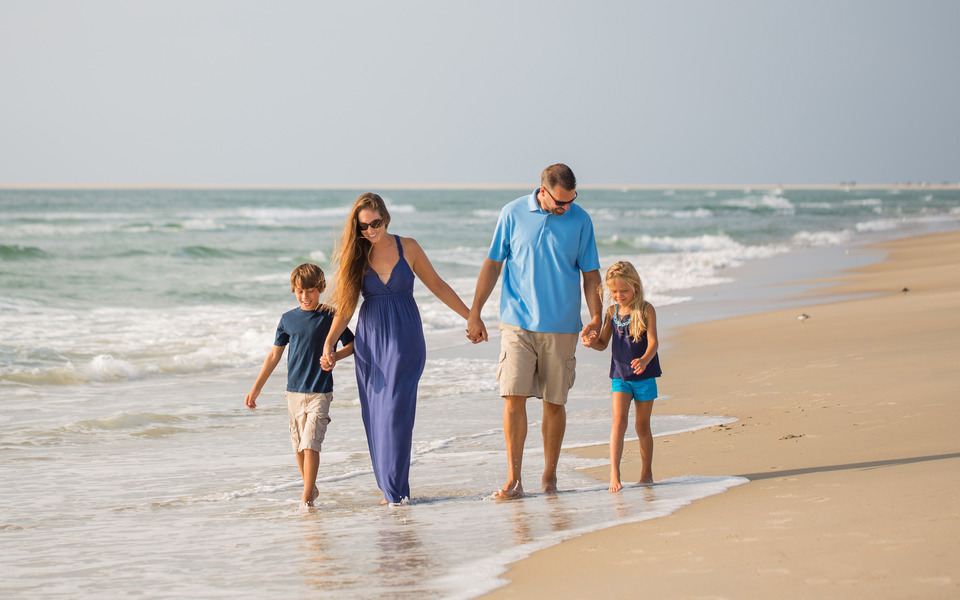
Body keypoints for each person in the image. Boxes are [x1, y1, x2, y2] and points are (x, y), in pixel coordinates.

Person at [322, 192, 474, 505]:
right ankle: (395, 489)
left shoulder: (409, 247)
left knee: (396, 412)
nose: (370, 231)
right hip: (372, 344)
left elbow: (439, 285)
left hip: (406, 339)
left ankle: (394, 491)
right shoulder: (357, 256)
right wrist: (328, 342)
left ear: (386, 218)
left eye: (375, 223)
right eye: (363, 227)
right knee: (377, 414)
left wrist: (471, 317)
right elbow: (346, 308)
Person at [466, 163, 602, 499]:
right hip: (517, 322)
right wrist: (475, 313)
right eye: (560, 202)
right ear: (542, 191)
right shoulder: (512, 213)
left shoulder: (581, 220)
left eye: (570, 201)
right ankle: (514, 479)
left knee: (554, 402)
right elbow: (493, 263)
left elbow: (591, 275)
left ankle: (549, 477)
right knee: (512, 397)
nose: (565, 207)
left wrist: (597, 317)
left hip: (562, 325)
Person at [244, 263, 355, 507]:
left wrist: (336, 356)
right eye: (300, 291)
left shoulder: (330, 316)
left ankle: (305, 497)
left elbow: (352, 344)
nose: (305, 297)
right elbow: (274, 355)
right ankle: (311, 488)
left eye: (311, 291)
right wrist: (257, 387)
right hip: (293, 392)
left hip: (320, 392)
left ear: (321, 289)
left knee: (310, 443)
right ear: (294, 291)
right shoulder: (287, 320)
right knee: (298, 445)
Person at [582, 261, 661, 492]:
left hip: (644, 377)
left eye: (623, 291)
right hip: (620, 377)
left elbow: (654, 342)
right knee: (618, 422)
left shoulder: (646, 309)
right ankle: (614, 474)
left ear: (635, 286)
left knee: (642, 426)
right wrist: (591, 342)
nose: (619, 296)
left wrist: (645, 360)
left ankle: (646, 473)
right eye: (614, 292)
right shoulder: (611, 312)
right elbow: (604, 343)